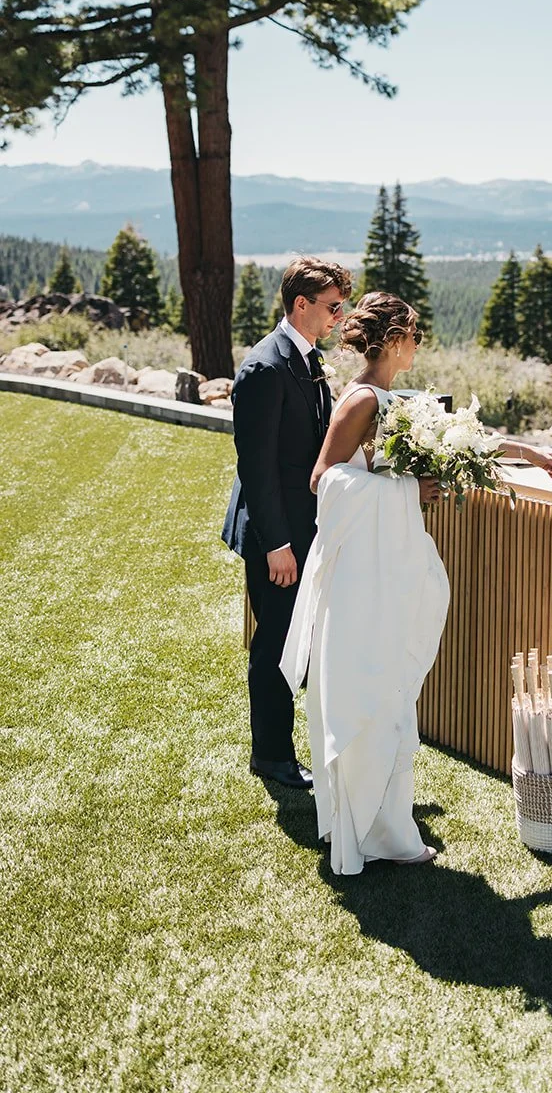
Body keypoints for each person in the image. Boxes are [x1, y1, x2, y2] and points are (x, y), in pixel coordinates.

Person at [281, 291, 552, 874]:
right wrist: (405, 492)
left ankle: (385, 829)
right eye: (413, 334)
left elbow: (456, 443)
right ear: (390, 339)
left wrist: (528, 453)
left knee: (392, 689)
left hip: (392, 564)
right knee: (370, 689)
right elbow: (323, 481)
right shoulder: (361, 400)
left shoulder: (397, 400)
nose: (418, 343)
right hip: (364, 571)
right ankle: (372, 830)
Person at [222, 255, 352, 788]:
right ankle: (271, 755)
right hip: (275, 534)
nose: (339, 317)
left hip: (302, 527)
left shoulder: (306, 357)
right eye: (332, 307)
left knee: (292, 637)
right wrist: (277, 544)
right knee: (274, 641)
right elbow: (255, 466)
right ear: (301, 305)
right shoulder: (264, 367)